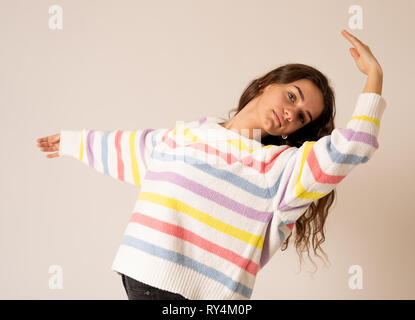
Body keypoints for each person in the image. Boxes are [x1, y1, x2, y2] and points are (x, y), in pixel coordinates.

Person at [36, 29, 386, 300]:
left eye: (302, 116)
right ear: (267, 83)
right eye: (291, 96)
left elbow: (352, 146)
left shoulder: (280, 168)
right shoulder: (191, 133)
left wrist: (374, 76)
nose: (291, 112)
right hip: (141, 277)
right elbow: (133, 148)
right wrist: (73, 142)